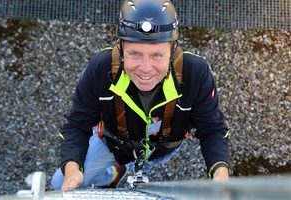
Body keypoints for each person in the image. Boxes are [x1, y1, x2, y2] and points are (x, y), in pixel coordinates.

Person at [51, 0, 230, 191]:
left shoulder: (196, 73)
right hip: (113, 144)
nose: (145, 69)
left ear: (172, 49)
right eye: (135, 54)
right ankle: (113, 172)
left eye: (157, 55)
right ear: (120, 48)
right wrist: (72, 169)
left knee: (146, 168)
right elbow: (77, 125)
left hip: (161, 149)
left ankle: (136, 168)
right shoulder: (101, 68)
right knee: (57, 183)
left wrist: (220, 173)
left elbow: (212, 130)